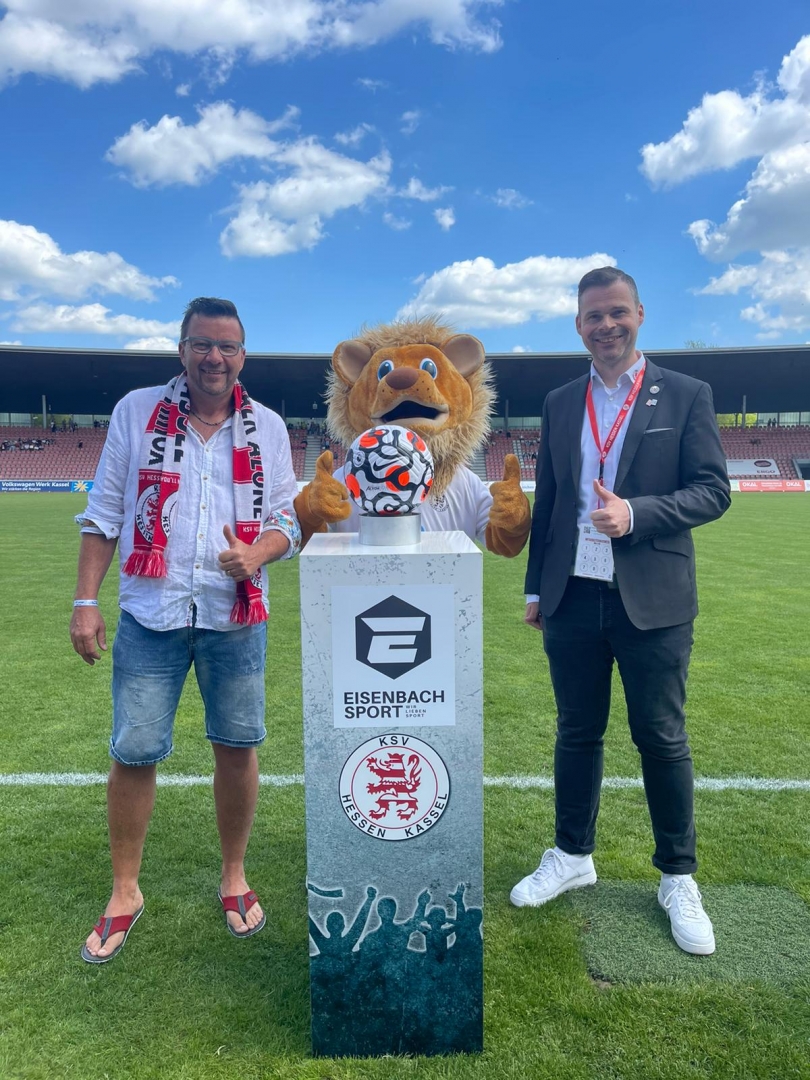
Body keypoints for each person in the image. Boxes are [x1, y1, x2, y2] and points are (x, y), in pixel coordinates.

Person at [71, 297, 301, 963]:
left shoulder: (268, 427)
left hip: (236, 616)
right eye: (202, 344)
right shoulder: (136, 412)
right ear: (182, 350)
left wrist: (258, 553)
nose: (214, 357)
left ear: (242, 356)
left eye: (227, 346)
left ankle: (234, 876)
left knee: (237, 747)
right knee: (135, 751)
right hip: (152, 613)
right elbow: (104, 514)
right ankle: (125, 889)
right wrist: (86, 600)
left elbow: (289, 520)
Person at [512, 267, 730, 955]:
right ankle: (572, 855)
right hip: (572, 594)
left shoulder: (687, 394)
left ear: (639, 314)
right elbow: (551, 500)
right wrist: (535, 589)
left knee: (660, 737)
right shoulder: (560, 401)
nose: (605, 325)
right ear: (578, 325)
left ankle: (677, 876)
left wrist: (636, 513)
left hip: (653, 597)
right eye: (592, 316)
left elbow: (713, 490)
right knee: (577, 731)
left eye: (616, 312)